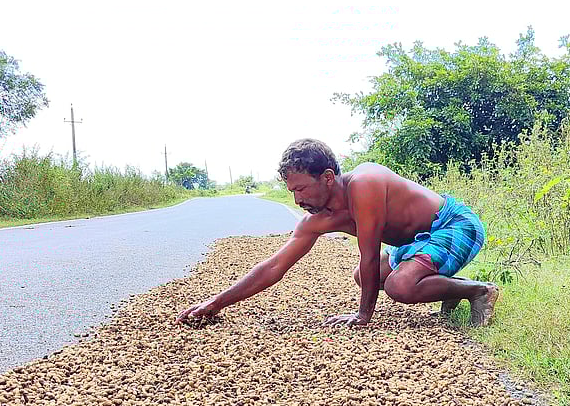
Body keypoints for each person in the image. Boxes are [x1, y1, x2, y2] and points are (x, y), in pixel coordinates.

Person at [176, 139, 499, 327]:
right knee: (364, 277)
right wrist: (215, 304)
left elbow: (369, 253)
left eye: (302, 188)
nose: (297, 199)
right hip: (417, 244)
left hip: (454, 225)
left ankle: (477, 292)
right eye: (291, 191)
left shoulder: (365, 183)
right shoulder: (313, 220)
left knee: (400, 285)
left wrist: (363, 315)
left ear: (328, 177)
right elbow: (274, 267)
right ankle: (449, 291)